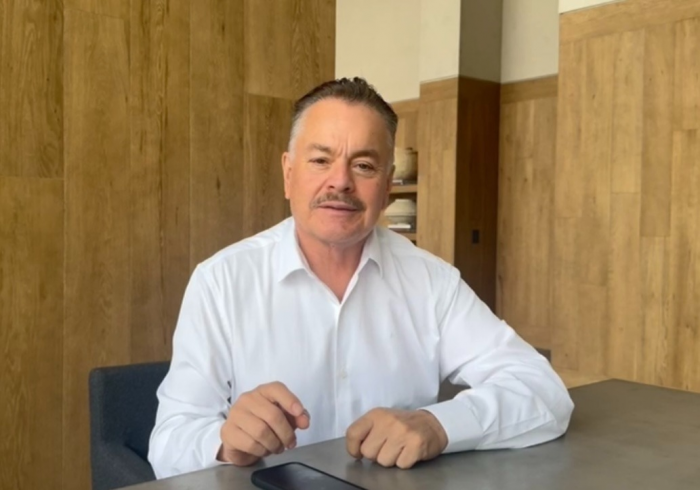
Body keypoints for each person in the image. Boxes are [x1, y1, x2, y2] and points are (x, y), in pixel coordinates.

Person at [148, 77, 574, 479]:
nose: (340, 182)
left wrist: (438, 425)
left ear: (387, 186)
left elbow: (543, 392)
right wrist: (224, 443)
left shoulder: (431, 281)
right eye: (320, 160)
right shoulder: (221, 281)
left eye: (364, 166)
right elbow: (169, 441)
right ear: (288, 174)